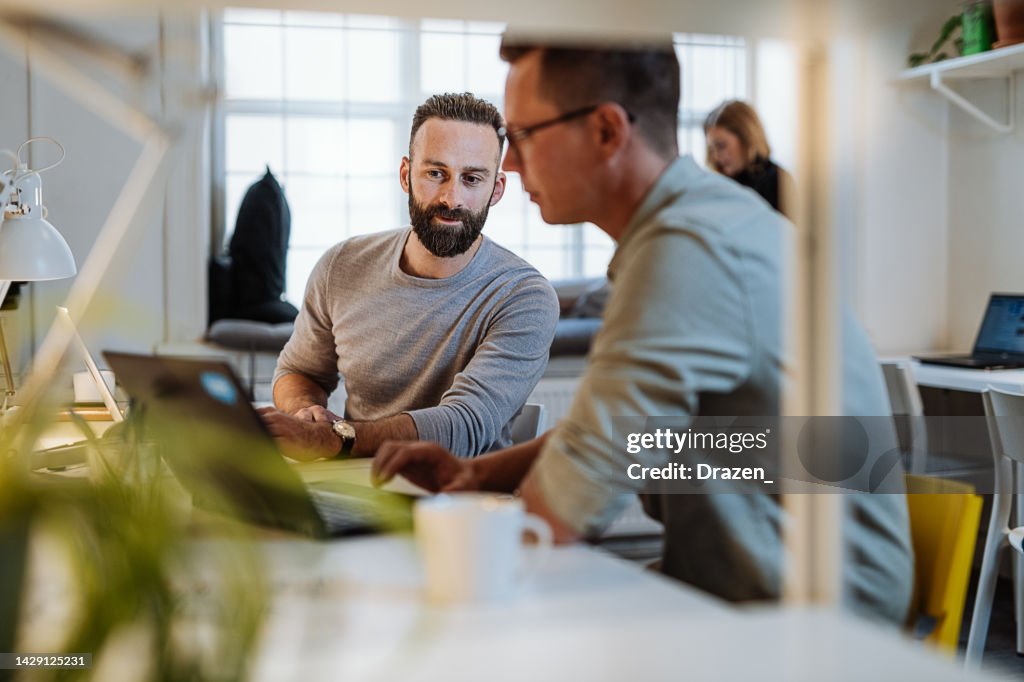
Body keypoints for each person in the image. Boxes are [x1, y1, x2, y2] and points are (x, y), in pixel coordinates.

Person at [372, 38, 914, 624]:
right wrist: (477, 474)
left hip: (815, 623)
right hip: (754, 590)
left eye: (524, 136)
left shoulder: (687, 252)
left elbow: (552, 520)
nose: (509, 165)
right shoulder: (698, 222)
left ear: (606, 131)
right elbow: (623, 438)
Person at [260, 93, 559, 462]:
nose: (452, 198)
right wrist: (304, 412)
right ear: (406, 175)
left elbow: (464, 425)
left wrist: (332, 439)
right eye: (436, 174)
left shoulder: (524, 296)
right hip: (354, 484)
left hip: (463, 499)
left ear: (496, 189)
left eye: (472, 178)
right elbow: (299, 370)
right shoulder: (341, 265)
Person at [704, 99, 793, 219]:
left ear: (746, 138)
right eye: (711, 149)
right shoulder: (721, 184)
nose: (715, 156)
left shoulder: (777, 181)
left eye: (721, 146)